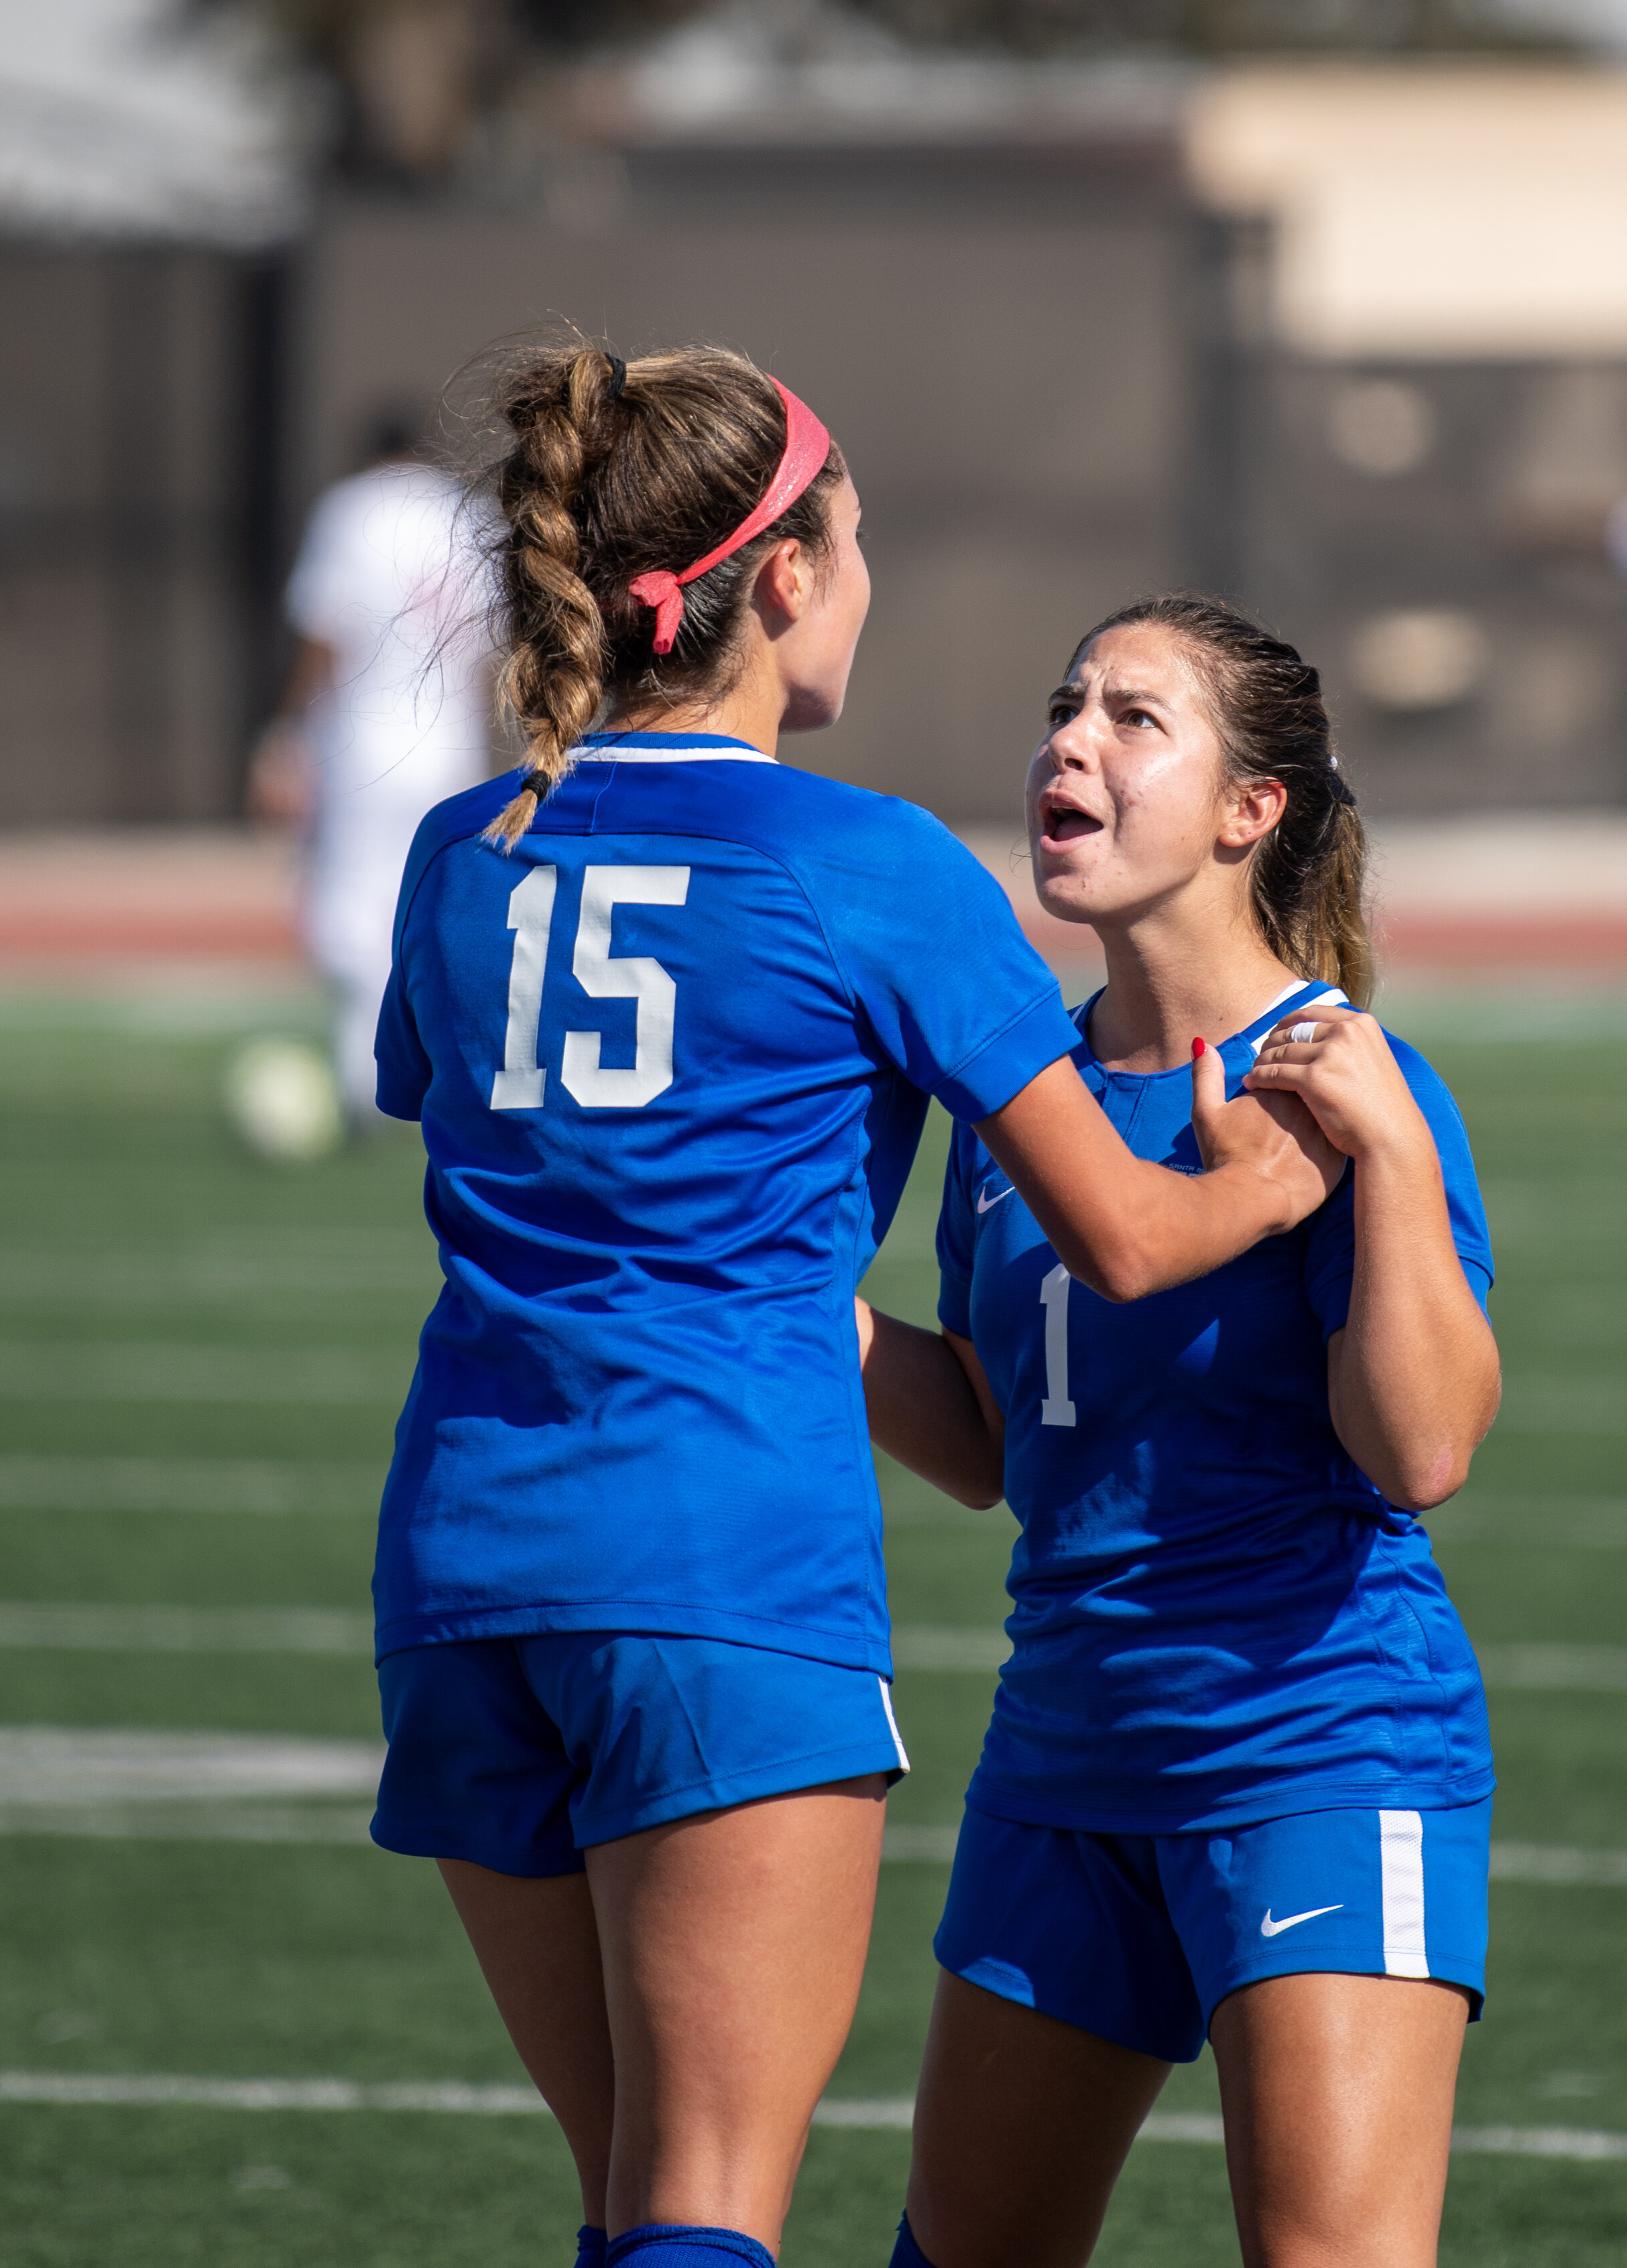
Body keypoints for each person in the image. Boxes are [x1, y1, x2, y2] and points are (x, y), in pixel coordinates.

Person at [363, 349, 1339, 2268]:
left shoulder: (452, 849)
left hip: (460, 1563)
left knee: (624, 2204)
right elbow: (1128, 1238)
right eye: (857, 538)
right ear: (784, 578)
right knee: (704, 2216)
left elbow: (484, 1121)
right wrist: (1287, 1170)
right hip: (721, 1564)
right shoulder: (872, 863)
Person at [857, 596, 1500, 2268]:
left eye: (1135, 718)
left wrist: (1398, 1171)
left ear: (1249, 809)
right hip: (1065, 1759)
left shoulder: (1346, 1084)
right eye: (1064, 704)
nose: (1070, 740)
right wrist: (794, 1301)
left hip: (1316, 1745)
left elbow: (1419, 1449)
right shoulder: (1026, 1111)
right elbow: (1003, 1442)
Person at [247, 416, 494, 1123]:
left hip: (365, 742)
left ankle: (369, 1075)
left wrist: (289, 733)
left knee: (345, 919)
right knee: (433, 910)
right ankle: (429, 1068)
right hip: (451, 749)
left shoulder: (352, 511)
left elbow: (327, 635)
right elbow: (481, 656)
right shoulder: (465, 515)